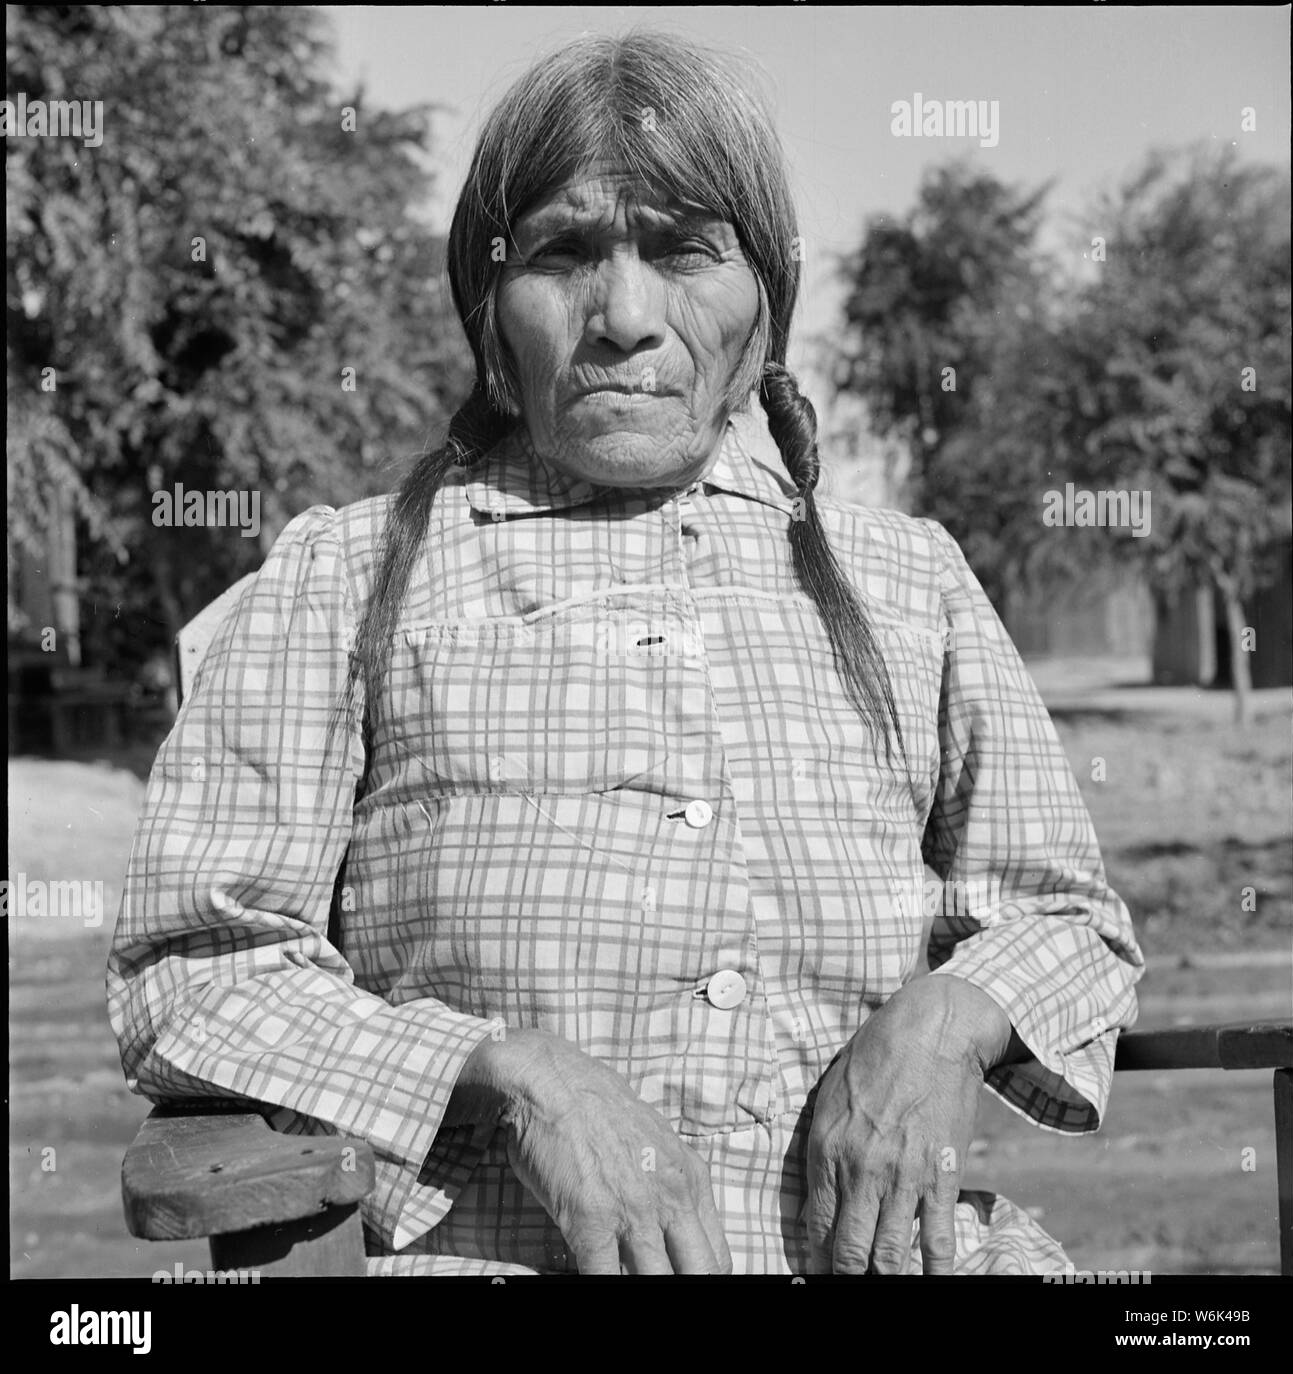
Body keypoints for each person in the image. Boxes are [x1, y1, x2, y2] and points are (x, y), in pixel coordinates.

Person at [108, 30, 1144, 1276]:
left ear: (763, 303)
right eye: (562, 253)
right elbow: (195, 972)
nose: (627, 319)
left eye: (686, 249)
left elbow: (1069, 920)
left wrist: (943, 1027)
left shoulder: (906, 582)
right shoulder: (340, 579)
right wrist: (509, 1077)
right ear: (490, 308)